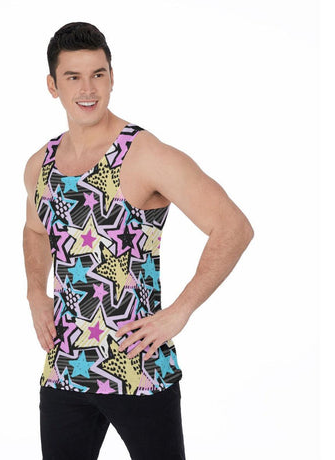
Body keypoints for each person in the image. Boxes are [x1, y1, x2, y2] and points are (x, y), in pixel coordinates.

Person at [23, 22, 254, 460]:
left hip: (139, 368)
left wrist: (179, 312)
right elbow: (36, 230)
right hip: (65, 369)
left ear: (112, 77)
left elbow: (234, 227)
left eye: (98, 74)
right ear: (53, 85)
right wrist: (36, 290)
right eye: (73, 76)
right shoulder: (41, 164)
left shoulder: (145, 155)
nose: (88, 89)